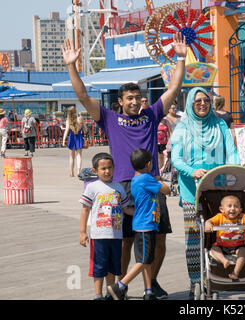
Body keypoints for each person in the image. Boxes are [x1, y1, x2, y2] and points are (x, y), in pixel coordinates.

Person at [62, 32, 186, 299]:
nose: (133, 101)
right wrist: (72, 65)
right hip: (122, 186)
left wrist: (181, 58)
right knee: (126, 240)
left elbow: (174, 89)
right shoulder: (108, 118)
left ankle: (150, 284)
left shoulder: (151, 115)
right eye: (128, 98)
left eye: (136, 97)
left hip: (151, 186)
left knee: (159, 238)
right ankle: (119, 285)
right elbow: (83, 97)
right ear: (120, 101)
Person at [170, 87, 241, 298]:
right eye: (197, 100)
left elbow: (232, 152)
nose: (202, 103)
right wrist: (192, 171)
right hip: (192, 191)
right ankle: (195, 281)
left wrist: (235, 172)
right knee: (194, 239)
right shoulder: (182, 127)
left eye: (206, 100)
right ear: (190, 103)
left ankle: (220, 274)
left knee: (222, 234)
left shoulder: (220, 124)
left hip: (219, 190)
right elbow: (176, 159)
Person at [107, 148, 170, 300]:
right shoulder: (146, 179)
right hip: (145, 225)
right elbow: (167, 190)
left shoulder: (135, 179)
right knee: (143, 260)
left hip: (143, 224)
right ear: (149, 164)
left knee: (146, 259)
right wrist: (158, 180)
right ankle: (120, 286)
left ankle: (148, 291)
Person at [79, 152, 131, 300]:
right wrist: (82, 232)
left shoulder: (119, 188)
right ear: (95, 170)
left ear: (114, 168)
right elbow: (85, 210)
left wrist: (140, 212)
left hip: (116, 236)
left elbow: (126, 208)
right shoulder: (92, 187)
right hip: (98, 236)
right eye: (103, 169)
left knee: (113, 267)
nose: (107, 171)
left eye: (110, 168)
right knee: (98, 267)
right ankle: (98, 295)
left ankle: (110, 293)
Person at [204, 195, 245, 280]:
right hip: (222, 245)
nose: (232, 209)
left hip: (239, 245)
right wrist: (208, 224)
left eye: (236, 206)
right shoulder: (219, 217)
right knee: (214, 249)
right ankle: (224, 260)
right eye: (229, 206)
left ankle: (235, 272)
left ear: (240, 210)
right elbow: (209, 221)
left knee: (243, 252)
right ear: (222, 209)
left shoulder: (242, 217)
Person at [62, 106, 88, 177]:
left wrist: (64, 140)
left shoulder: (68, 121)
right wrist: (83, 130)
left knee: (71, 157)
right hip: (79, 137)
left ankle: (71, 171)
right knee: (79, 155)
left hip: (71, 137)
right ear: (75, 112)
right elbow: (85, 129)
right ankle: (79, 171)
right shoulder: (80, 119)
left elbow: (66, 131)